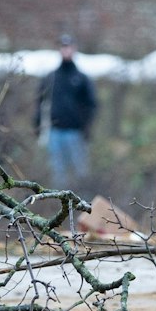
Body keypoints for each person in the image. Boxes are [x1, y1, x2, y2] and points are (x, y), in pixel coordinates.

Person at [35, 33, 97, 194]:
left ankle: (83, 202)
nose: (66, 50)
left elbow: (91, 105)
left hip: (75, 132)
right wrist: (38, 126)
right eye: (63, 47)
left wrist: (86, 127)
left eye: (69, 47)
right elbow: (40, 102)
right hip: (55, 132)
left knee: (80, 171)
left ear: (74, 49)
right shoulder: (51, 77)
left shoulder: (82, 78)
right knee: (58, 173)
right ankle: (59, 203)